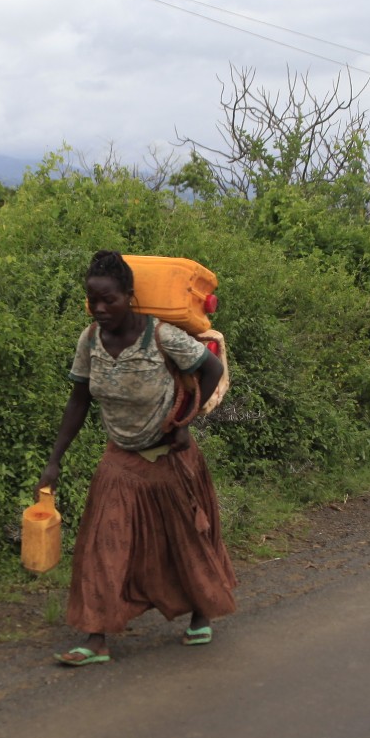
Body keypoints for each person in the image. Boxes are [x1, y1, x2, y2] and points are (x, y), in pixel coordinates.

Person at [38, 250, 237, 665]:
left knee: (187, 542)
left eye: (109, 299)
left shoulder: (162, 336)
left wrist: (184, 421)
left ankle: (201, 613)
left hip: (170, 459)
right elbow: (78, 401)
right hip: (121, 460)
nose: (100, 308)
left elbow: (211, 369)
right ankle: (95, 639)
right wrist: (55, 459)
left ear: (130, 296)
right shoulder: (90, 339)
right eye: (93, 300)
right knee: (103, 545)